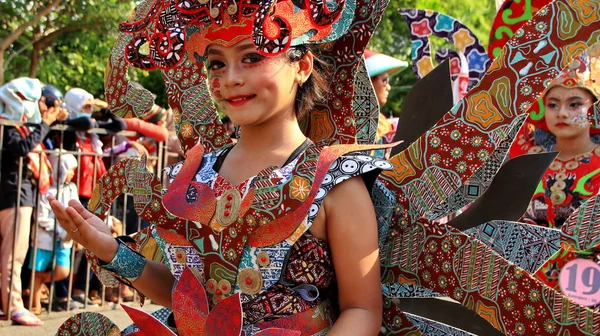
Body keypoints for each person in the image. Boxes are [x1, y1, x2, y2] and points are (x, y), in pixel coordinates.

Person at [51, 1, 383, 334]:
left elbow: (362, 310)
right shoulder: (195, 173)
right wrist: (111, 250)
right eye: (216, 63)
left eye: (252, 57)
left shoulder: (337, 180)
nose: (231, 79)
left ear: (302, 66)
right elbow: (187, 295)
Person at [0, 77, 66, 326]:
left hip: (18, 193)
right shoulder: (9, 126)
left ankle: (8, 304)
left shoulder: (15, 124)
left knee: (12, 254)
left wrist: (49, 121)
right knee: (13, 255)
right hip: (13, 194)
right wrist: (46, 123)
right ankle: (14, 306)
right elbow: (22, 148)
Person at [510, 48, 600, 229]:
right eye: (553, 105)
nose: (562, 113)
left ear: (594, 107)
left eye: (574, 104)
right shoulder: (527, 162)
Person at [29, 152, 78, 314]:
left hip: (65, 237)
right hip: (46, 235)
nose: (72, 174)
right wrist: (60, 230)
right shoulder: (46, 190)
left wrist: (73, 233)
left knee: (63, 271)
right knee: (38, 271)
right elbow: (42, 217)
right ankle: (34, 305)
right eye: (69, 170)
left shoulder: (72, 188)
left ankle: (43, 282)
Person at [364, 49, 407, 157]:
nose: (388, 87)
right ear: (367, 81)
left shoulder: (381, 120)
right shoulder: (349, 123)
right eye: (385, 80)